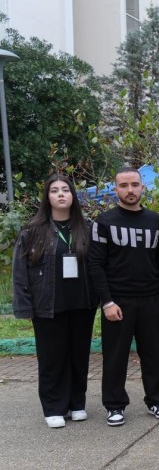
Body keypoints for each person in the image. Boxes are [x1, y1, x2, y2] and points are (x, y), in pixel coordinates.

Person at [88, 167, 159, 427]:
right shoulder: (104, 222)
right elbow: (96, 265)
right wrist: (107, 301)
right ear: (116, 190)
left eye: (135, 185)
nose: (130, 190)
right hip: (118, 302)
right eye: (124, 185)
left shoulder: (155, 221)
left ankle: (156, 401)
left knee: (153, 355)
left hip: (150, 299)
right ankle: (114, 406)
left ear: (143, 187)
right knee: (115, 356)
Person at [12, 175, 97, 428]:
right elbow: (20, 272)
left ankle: (76, 403)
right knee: (52, 358)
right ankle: (53, 407)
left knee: (78, 355)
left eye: (66, 190)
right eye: (54, 190)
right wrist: (25, 305)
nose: (61, 194)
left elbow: (97, 265)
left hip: (83, 303)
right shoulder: (32, 231)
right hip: (48, 304)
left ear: (73, 196)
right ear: (47, 197)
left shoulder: (87, 227)